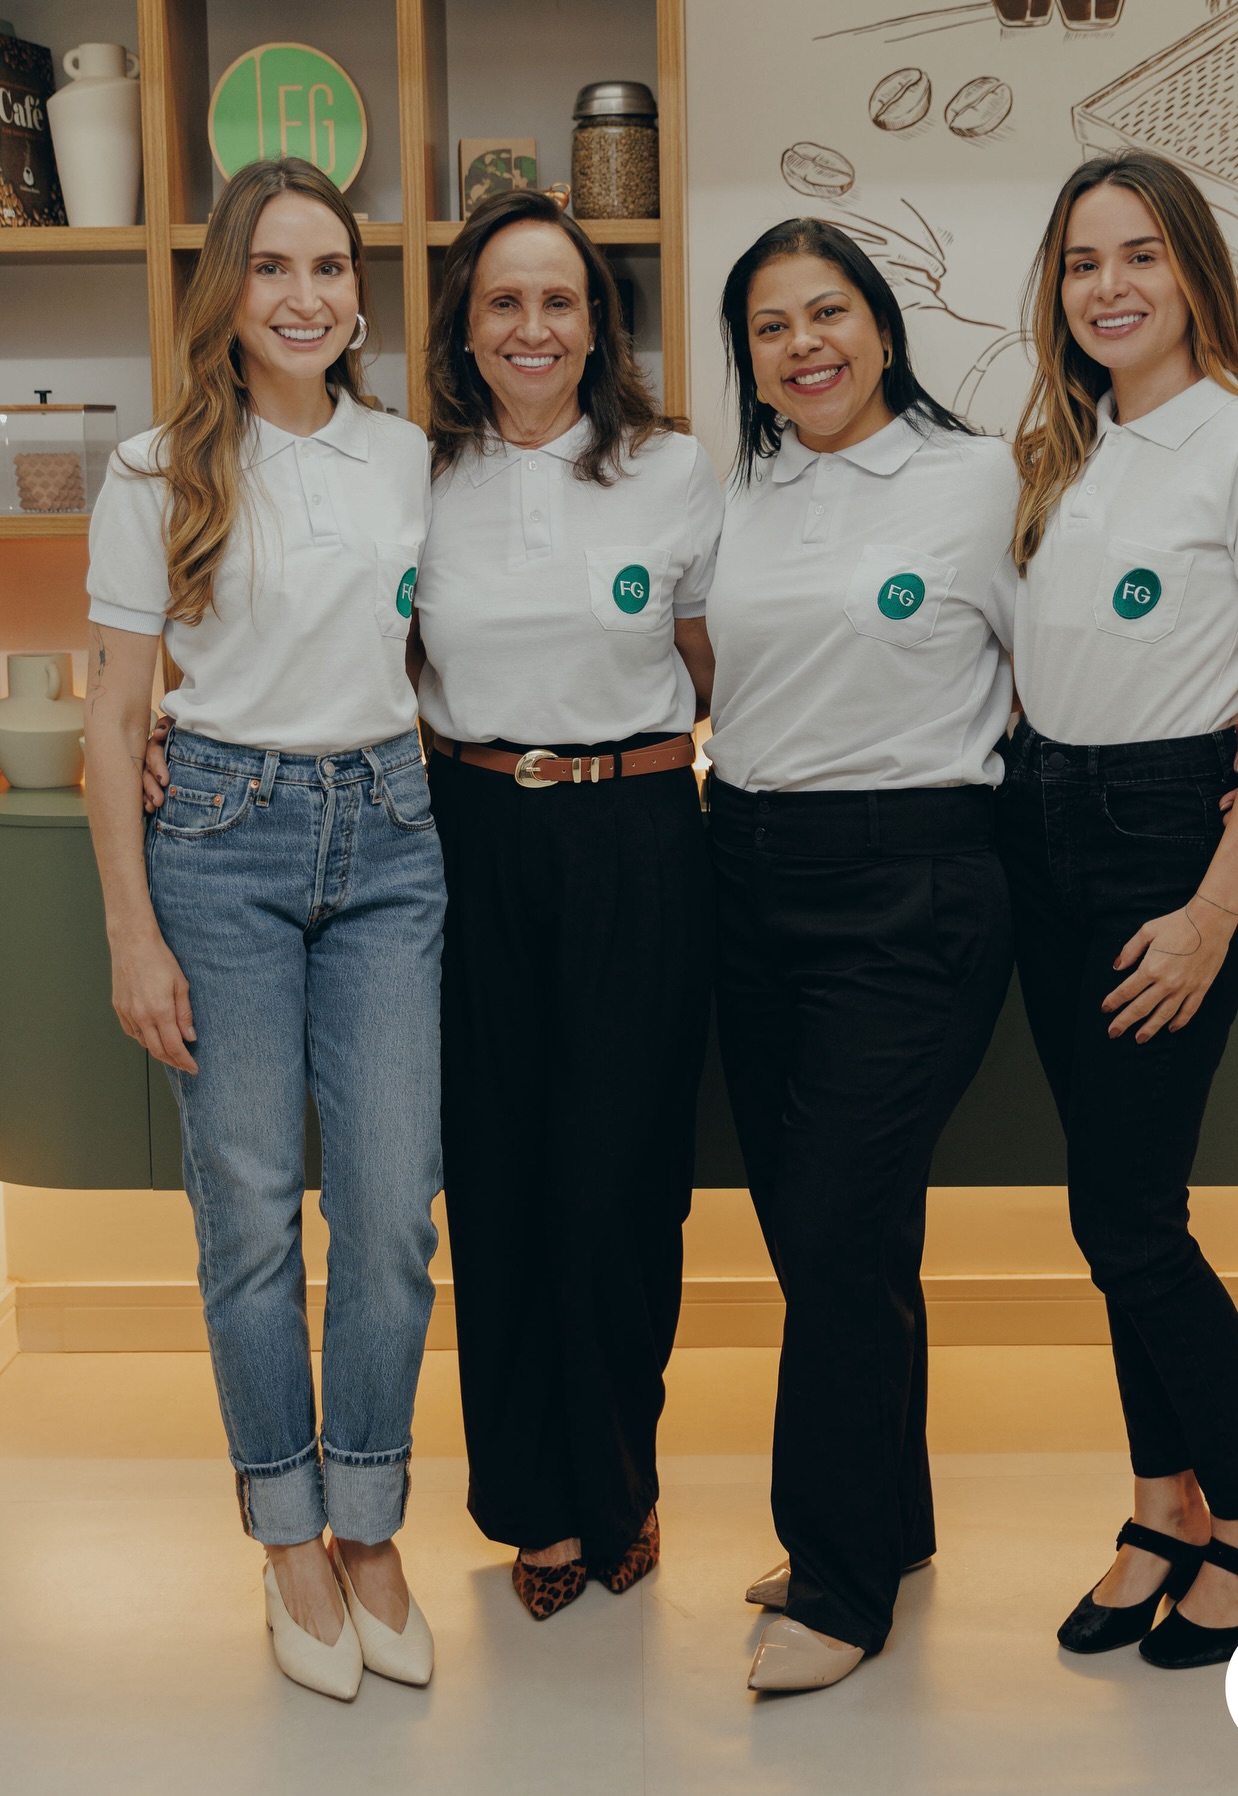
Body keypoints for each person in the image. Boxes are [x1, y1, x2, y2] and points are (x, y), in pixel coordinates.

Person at [85, 157, 441, 1700]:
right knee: (246, 1215)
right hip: (218, 847)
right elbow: (112, 719)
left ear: (362, 293)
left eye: (331, 269)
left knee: (389, 1212)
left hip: (392, 841)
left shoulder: (411, 457)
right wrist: (131, 932)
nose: (306, 296)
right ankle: (287, 1531)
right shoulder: (155, 469)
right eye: (275, 268)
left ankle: (369, 1515)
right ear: (227, 291)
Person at [1002, 149, 1238, 1669]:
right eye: (1082, 262)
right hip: (1041, 831)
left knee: (1128, 1215)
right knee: (1108, 1211)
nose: (1110, 286)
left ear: (1194, 271)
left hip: (1158, 848)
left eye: (1140, 255)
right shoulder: (1057, 455)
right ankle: (1163, 1507)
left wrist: (1209, 907)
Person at [705, 218, 1018, 1691]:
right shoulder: (748, 493)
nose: (803, 345)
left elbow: (1054, 665)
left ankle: (837, 1588)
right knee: (834, 1233)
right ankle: (885, 1515)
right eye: (771, 327)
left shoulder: (977, 481)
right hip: (748, 871)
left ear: (882, 327)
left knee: (834, 1231)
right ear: (750, 362)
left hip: (914, 886)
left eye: (828, 313)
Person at [416, 190, 723, 1618]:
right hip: (470, 831)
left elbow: (729, 665)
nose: (532, 327)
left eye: (560, 301)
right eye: (503, 302)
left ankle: (622, 1480)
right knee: (500, 1173)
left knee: (621, 1177)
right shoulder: (417, 474)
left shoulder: (672, 470)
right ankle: (534, 1504)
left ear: (598, 323)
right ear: (466, 327)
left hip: (638, 833)